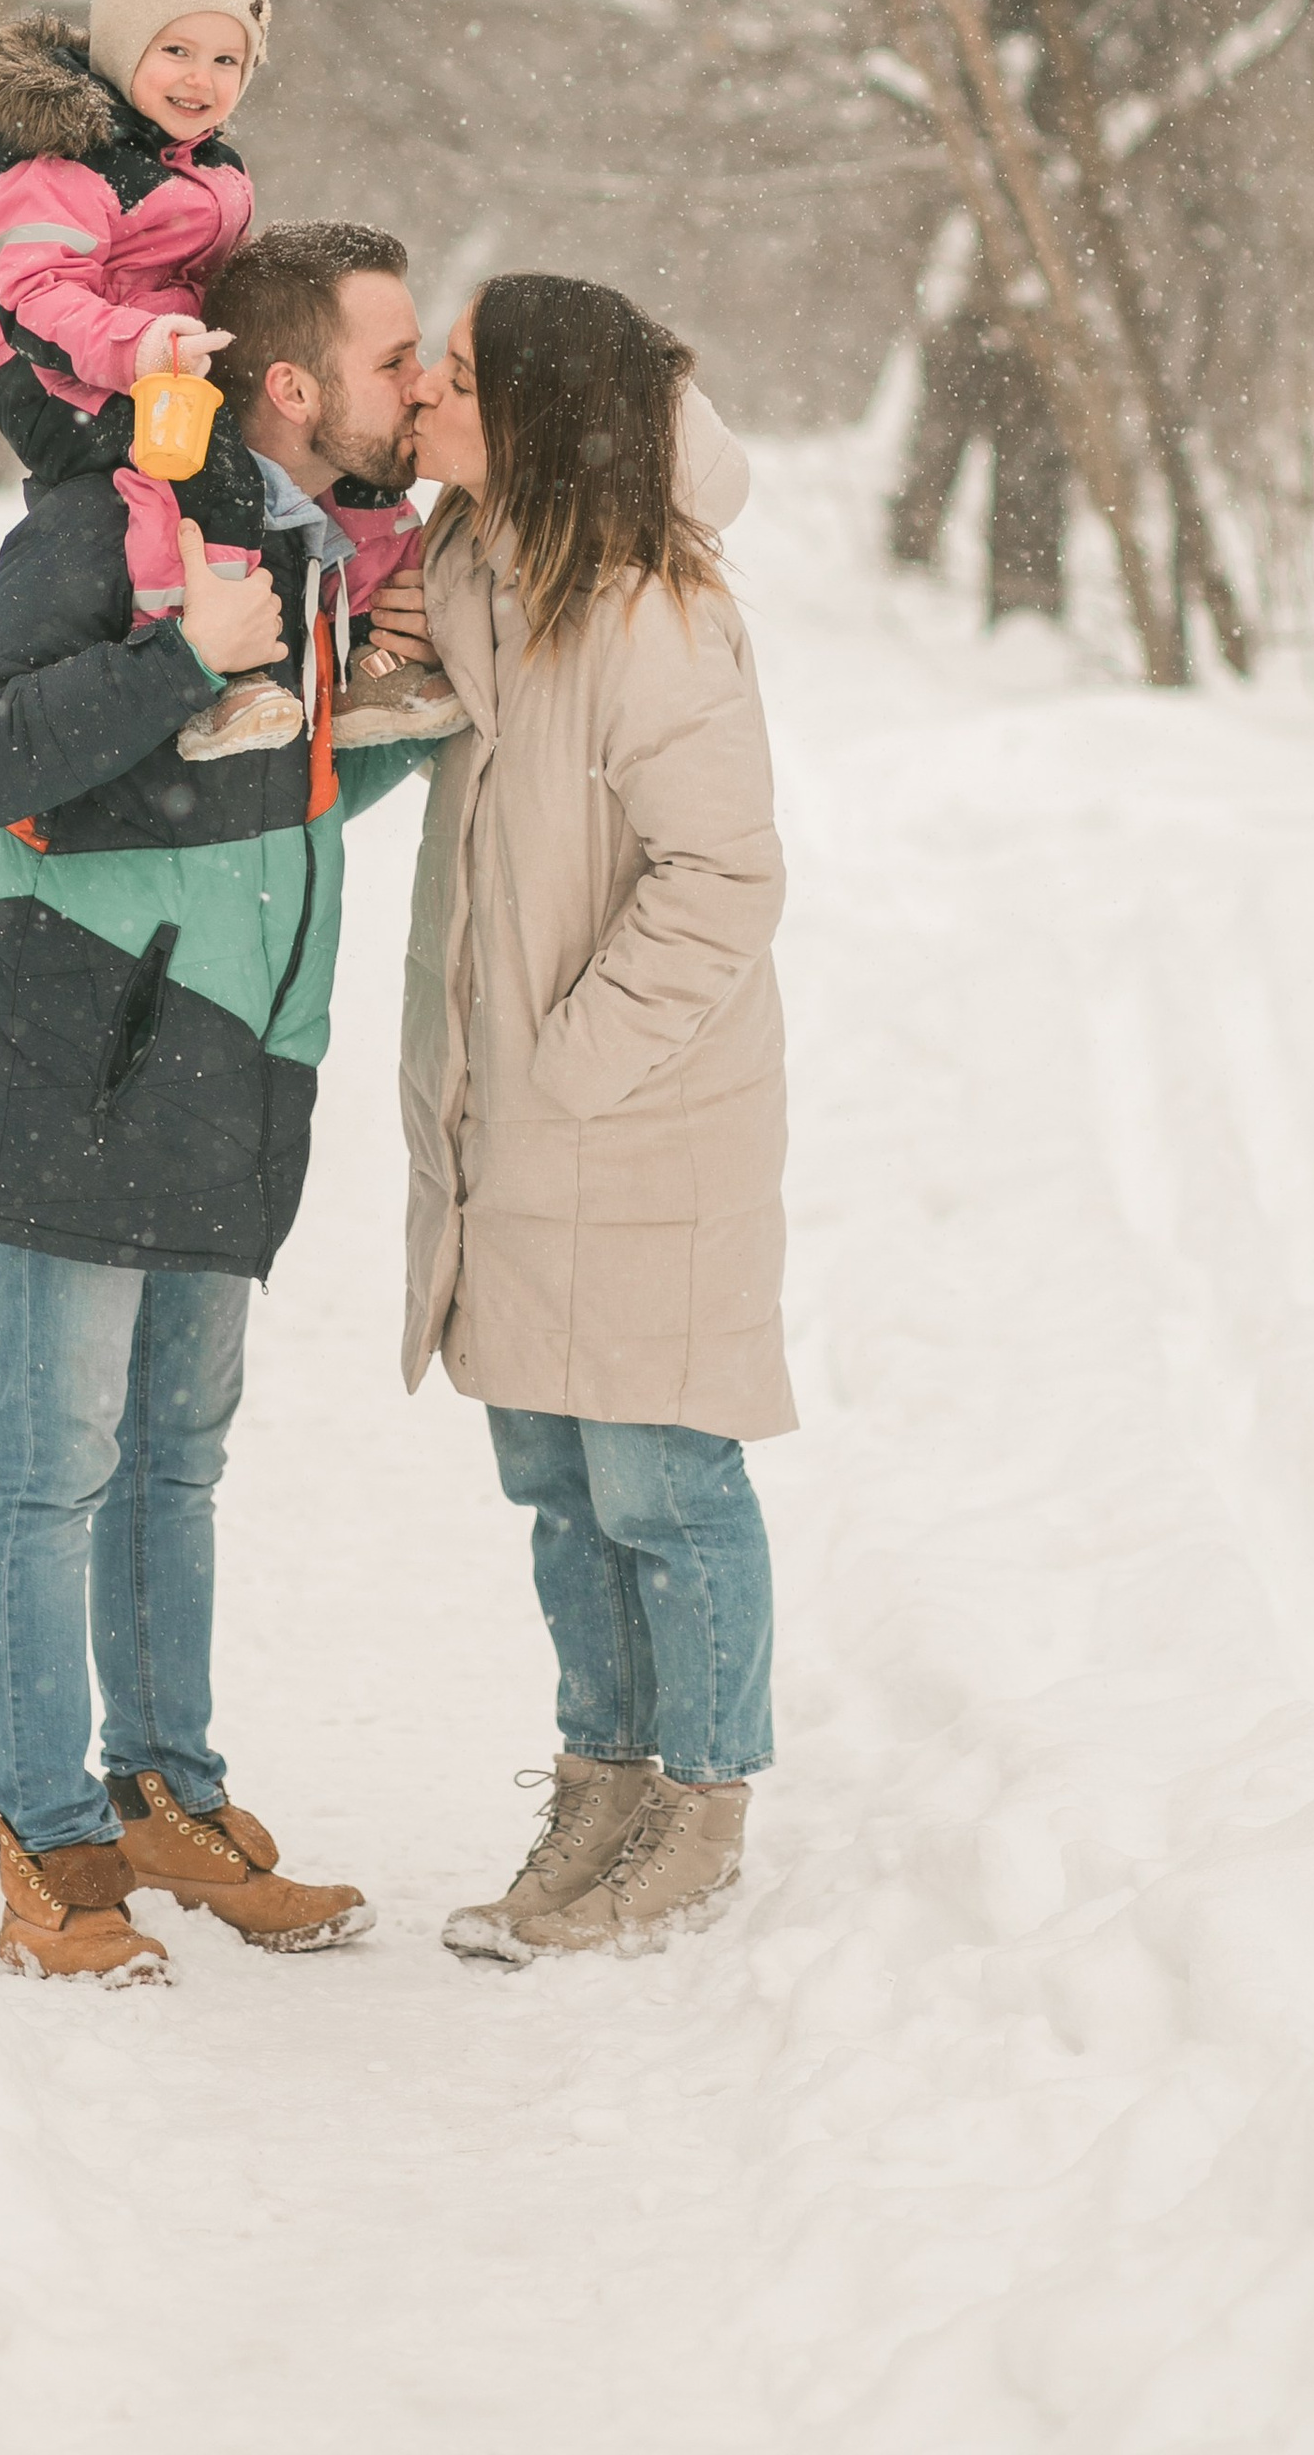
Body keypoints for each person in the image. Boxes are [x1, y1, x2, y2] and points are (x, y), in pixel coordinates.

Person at [0, 221, 444, 1986]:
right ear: (289, 384)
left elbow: (242, 810)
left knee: (176, 1462)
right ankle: (43, 1840)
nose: (417, 386)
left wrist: (405, 730)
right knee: (55, 1465)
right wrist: (178, 656)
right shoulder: (97, 519)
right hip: (75, 1043)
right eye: (393, 359)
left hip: (224, 1055)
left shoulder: (303, 552)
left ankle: (163, 1790)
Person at [397, 273, 792, 1964]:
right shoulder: (477, 568)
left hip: (633, 1120)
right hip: (515, 1116)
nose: (423, 385)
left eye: (461, 374)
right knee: (557, 1474)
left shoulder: (646, 614)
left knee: (660, 1475)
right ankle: (602, 1777)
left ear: (542, 419)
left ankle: (699, 1804)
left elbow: (723, 878)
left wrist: (569, 1066)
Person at [0, 0, 463, 760]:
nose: (202, 80)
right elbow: (32, 293)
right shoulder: (61, 171)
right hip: (58, 380)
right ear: (124, 45)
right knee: (208, 471)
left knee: (346, 454)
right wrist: (135, 347)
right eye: (176, 52)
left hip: (175, 361)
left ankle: (382, 656)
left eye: (227, 61)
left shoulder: (207, 169)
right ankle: (221, 673)